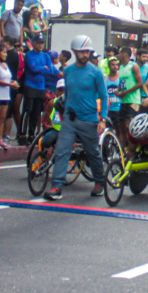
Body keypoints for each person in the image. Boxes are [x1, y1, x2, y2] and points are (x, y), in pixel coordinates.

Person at [46, 35, 109, 201]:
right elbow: (67, 93)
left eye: (87, 51)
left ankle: (99, 182)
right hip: (70, 119)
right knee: (62, 151)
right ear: (75, 51)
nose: (85, 54)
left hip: (89, 119)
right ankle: (57, 186)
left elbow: (103, 95)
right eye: (82, 51)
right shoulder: (67, 71)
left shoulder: (96, 72)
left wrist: (102, 119)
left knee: (93, 152)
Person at [20, 33, 58, 144]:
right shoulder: (29, 55)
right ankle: (22, 134)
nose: (40, 45)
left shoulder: (45, 56)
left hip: (41, 86)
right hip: (30, 85)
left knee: (36, 112)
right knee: (27, 110)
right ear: (33, 43)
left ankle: (32, 134)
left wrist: (43, 68)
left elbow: (50, 70)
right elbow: (33, 68)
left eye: (42, 43)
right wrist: (44, 68)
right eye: (38, 43)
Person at [0, 43, 19, 146]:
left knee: (2, 118)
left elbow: (8, 78)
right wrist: (10, 84)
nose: (5, 54)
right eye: (4, 52)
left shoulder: (6, 65)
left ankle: (0, 139)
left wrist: (13, 82)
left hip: (6, 95)